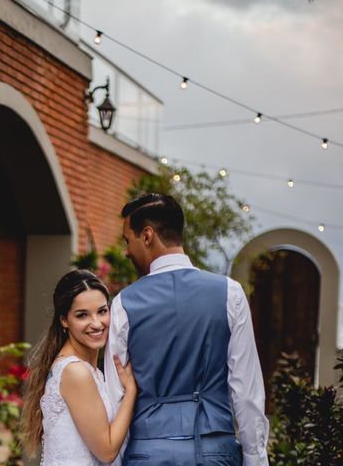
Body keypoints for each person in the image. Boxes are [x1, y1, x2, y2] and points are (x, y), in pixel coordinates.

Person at [104, 193, 269, 466]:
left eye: (127, 240)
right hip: (214, 450)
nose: (126, 251)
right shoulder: (230, 293)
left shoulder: (124, 304)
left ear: (147, 236)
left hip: (148, 454)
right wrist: (256, 460)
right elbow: (247, 391)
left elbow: (115, 397)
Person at [21, 269, 137, 465]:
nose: (96, 323)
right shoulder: (75, 371)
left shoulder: (84, 369)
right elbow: (107, 451)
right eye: (82, 315)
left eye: (102, 311)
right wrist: (132, 391)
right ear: (64, 320)